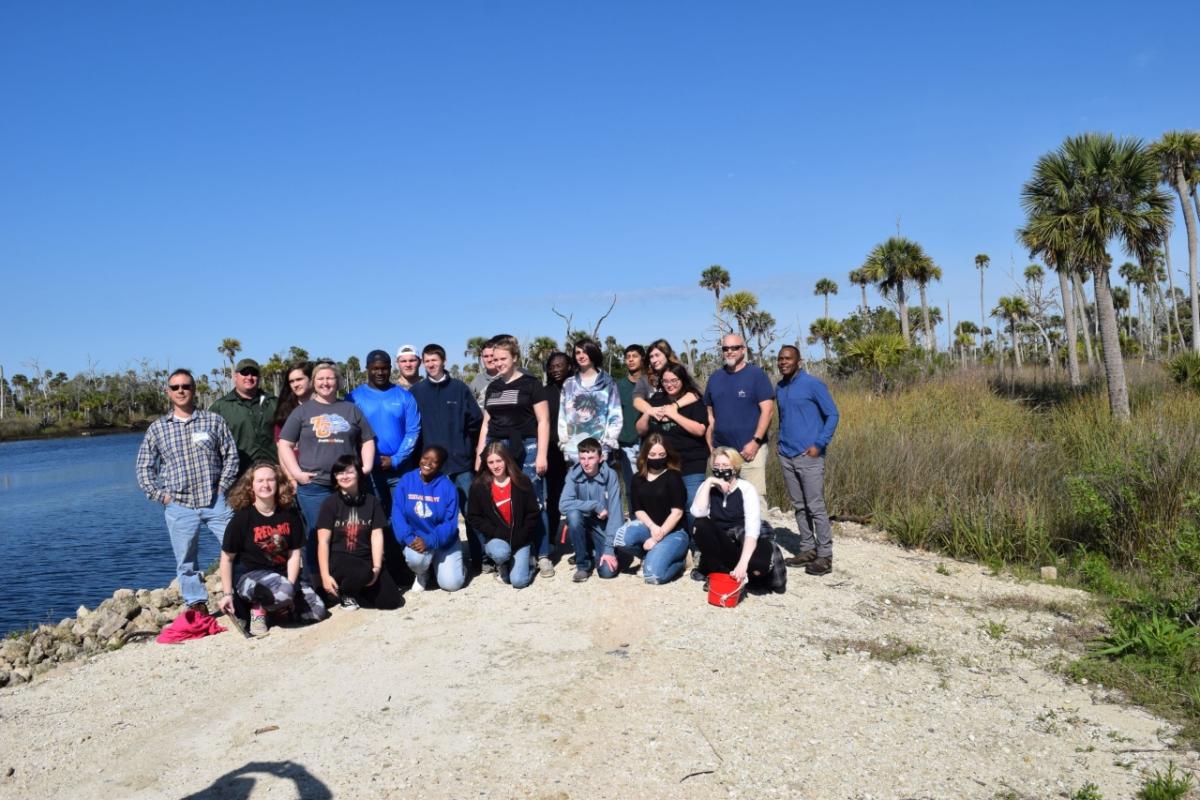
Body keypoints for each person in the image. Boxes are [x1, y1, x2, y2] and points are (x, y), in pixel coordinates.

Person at [135, 368, 238, 615]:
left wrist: (222, 487)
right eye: (175, 387)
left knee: (236, 547)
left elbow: (231, 456)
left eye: (186, 386)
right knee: (186, 561)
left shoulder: (213, 421)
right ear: (168, 392)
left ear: (194, 390)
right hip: (179, 505)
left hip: (215, 502)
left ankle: (237, 592)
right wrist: (162, 496)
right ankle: (197, 603)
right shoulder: (158, 428)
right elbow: (143, 466)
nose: (181, 391)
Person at [277, 362, 376, 579]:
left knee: (349, 533)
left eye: (330, 378)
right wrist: (296, 474)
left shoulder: (350, 409)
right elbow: (284, 443)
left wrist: (366, 467)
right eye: (320, 379)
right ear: (313, 383)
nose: (325, 383)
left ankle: (347, 579)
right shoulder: (302, 412)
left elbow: (367, 439)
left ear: (338, 382)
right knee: (316, 534)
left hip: (347, 485)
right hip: (314, 487)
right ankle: (316, 583)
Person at [217, 462, 328, 636]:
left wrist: (291, 587)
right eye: (260, 481)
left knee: (317, 612)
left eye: (270, 480)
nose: (265, 485)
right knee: (281, 592)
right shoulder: (242, 518)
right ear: (251, 486)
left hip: (283, 575)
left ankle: (280, 608)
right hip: (250, 577)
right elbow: (226, 558)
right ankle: (258, 609)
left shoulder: (289, 515)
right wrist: (227, 594)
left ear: (278, 484)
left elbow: (294, 553)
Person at [476, 335, 554, 579]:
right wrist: (480, 454)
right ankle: (512, 551)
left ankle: (542, 554)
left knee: (534, 499)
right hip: (498, 447)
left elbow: (543, 421)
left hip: (528, 446)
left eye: (503, 359)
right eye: (495, 359)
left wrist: (541, 454)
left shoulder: (531, 384)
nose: (498, 363)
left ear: (515, 358)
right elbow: (487, 423)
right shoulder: (494, 387)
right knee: (502, 499)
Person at [410, 343, 484, 573]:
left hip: (461, 465)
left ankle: (482, 559)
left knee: (471, 512)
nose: (431, 364)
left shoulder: (459, 389)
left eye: (435, 360)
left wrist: (467, 450)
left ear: (443, 360)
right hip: (432, 470)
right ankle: (440, 563)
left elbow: (476, 422)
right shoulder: (416, 392)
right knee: (435, 516)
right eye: (427, 361)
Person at [775, 345, 840, 576]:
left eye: (788, 358)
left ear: (798, 361)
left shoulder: (813, 384)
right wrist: (780, 444)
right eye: (780, 359)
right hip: (787, 454)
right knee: (799, 506)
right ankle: (807, 549)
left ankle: (825, 555)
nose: (783, 362)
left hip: (809, 456)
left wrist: (820, 444)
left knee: (815, 506)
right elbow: (784, 418)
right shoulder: (780, 387)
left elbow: (833, 414)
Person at [690, 447, 785, 593]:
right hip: (722, 542)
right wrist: (709, 482)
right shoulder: (707, 487)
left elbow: (752, 530)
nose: (720, 470)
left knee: (758, 566)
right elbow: (698, 512)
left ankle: (749, 574)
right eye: (717, 466)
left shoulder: (746, 489)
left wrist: (743, 563)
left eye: (725, 466)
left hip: (743, 541)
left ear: (735, 468)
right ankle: (718, 572)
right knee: (700, 524)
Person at [598, 435, 689, 584]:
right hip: (649, 527)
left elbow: (677, 512)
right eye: (652, 455)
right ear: (645, 455)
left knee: (653, 576)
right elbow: (638, 510)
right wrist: (653, 528)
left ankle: (681, 563)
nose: (657, 458)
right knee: (621, 539)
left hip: (673, 531)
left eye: (661, 455)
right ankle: (650, 557)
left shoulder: (673, 477)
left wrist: (657, 537)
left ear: (667, 455)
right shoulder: (637, 479)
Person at [316, 454, 402, 610]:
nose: (344, 476)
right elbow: (323, 542)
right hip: (340, 560)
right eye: (340, 473)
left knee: (391, 602)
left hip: (366, 559)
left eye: (349, 472)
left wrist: (376, 568)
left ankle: (358, 591)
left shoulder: (372, 501)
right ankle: (346, 592)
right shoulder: (329, 504)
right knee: (362, 571)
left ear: (358, 473)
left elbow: (377, 536)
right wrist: (325, 576)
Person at [636, 363, 709, 527]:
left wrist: (674, 415)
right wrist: (648, 413)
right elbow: (640, 430)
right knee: (666, 505)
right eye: (666, 381)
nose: (670, 384)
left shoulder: (694, 401)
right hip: (664, 464)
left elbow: (700, 430)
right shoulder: (655, 400)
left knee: (692, 503)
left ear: (683, 380)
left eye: (674, 380)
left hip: (691, 461)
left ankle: (694, 542)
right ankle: (674, 537)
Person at [348, 349, 421, 515]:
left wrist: (396, 459)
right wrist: (367, 462)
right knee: (376, 518)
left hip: (400, 469)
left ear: (390, 368)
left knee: (404, 515)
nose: (380, 372)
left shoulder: (405, 397)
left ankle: (403, 542)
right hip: (369, 471)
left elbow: (413, 431)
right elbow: (350, 434)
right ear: (367, 368)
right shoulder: (354, 398)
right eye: (375, 368)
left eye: (384, 368)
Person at [704, 334, 775, 499]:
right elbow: (710, 415)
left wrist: (756, 442)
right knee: (724, 497)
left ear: (743, 349)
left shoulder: (757, 375)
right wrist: (711, 447)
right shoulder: (715, 378)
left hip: (750, 451)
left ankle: (759, 526)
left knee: (754, 498)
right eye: (725, 348)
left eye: (734, 348)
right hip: (723, 452)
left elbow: (768, 411)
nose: (729, 352)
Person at [393, 446, 466, 592]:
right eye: (425, 458)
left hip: (443, 541)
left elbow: (450, 524)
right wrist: (409, 539)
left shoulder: (448, 487)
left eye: (434, 461)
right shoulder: (406, 481)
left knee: (451, 585)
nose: (428, 463)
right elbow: (397, 515)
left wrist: (430, 541)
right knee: (416, 559)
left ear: (440, 466)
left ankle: (458, 566)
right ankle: (422, 573)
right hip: (416, 540)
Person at [467, 442, 540, 589]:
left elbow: (533, 513)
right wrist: (496, 532)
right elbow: (474, 517)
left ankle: (531, 562)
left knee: (518, 582)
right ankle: (502, 564)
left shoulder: (522, 481)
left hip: (521, 538)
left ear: (506, 460)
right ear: (486, 464)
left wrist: (522, 535)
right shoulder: (478, 486)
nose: (495, 466)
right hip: (497, 538)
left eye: (499, 460)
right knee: (501, 553)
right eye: (491, 462)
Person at [558, 437, 623, 582]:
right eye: (582, 458)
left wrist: (609, 550)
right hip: (583, 523)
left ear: (600, 458)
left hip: (603, 527)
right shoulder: (573, 474)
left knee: (607, 572)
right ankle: (583, 565)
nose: (586, 463)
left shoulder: (610, 475)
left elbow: (616, 515)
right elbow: (563, 505)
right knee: (573, 516)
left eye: (591, 458)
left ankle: (597, 551)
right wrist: (595, 506)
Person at [211, 358, 278, 478]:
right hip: (238, 477)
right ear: (235, 376)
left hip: (273, 474)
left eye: (254, 373)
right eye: (245, 373)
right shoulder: (220, 407)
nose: (249, 377)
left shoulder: (274, 403)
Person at [558, 338, 622, 463]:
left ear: (593, 353)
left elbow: (615, 415)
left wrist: (607, 444)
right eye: (578, 352)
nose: (581, 356)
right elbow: (562, 416)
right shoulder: (569, 384)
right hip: (574, 451)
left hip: (600, 451)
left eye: (585, 352)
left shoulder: (608, 383)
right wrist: (565, 443)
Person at [543, 351, 572, 551]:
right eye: (552, 366)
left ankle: (583, 541)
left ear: (569, 366)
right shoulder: (544, 393)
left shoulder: (578, 390)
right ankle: (551, 539)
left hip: (578, 450)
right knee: (552, 498)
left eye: (560, 365)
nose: (556, 370)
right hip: (552, 451)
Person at [615, 344, 650, 495]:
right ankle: (636, 518)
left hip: (649, 443)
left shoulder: (651, 383)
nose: (630, 360)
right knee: (632, 489)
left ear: (643, 359)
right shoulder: (618, 386)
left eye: (634, 356)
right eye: (627, 357)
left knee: (652, 487)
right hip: (626, 445)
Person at [273, 361, 313, 442]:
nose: (295, 384)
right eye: (291, 381)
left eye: (299, 379)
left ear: (311, 379)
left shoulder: (326, 407)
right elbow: (280, 445)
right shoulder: (283, 412)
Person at [469, 341, 498, 408]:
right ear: (482, 358)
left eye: (492, 355)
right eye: (486, 356)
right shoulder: (475, 382)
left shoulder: (508, 378)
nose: (489, 359)